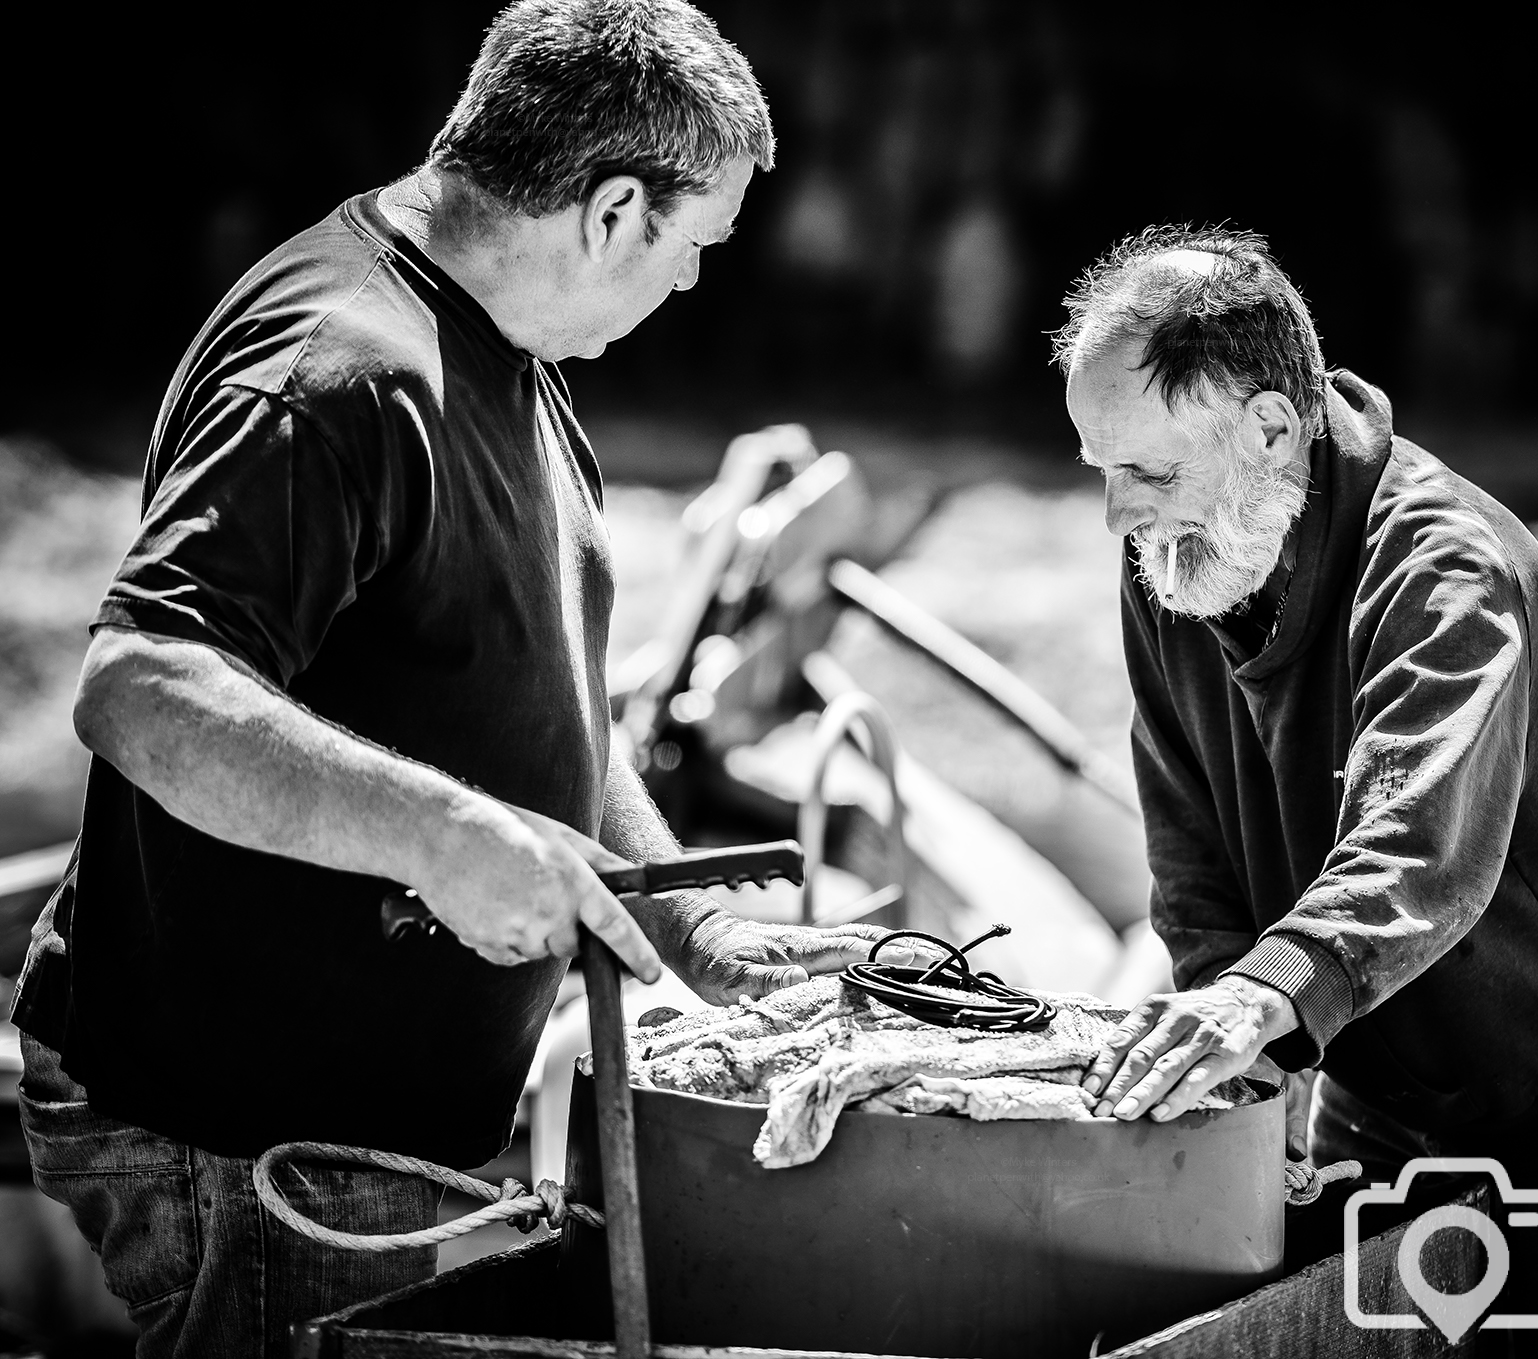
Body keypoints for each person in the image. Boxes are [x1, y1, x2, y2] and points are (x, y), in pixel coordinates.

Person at [8, 3, 891, 1354]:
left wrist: (681, 924)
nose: (695, 285)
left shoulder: (512, 359)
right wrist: (442, 834)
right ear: (610, 214)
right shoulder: (343, 371)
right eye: (694, 246)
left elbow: (550, 714)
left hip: (357, 1148)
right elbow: (143, 684)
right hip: (248, 1153)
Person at [1058, 228, 1538, 1218]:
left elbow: (1415, 852)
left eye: (1149, 473)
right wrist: (1252, 1063)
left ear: (1271, 430)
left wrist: (1258, 1002)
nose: (1116, 515)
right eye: (1102, 468)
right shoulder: (1178, 556)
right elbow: (1191, 854)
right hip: (1363, 1084)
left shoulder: (1445, 573)